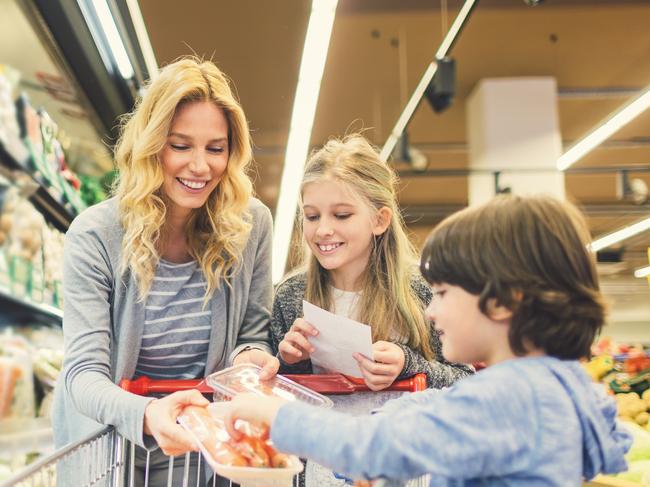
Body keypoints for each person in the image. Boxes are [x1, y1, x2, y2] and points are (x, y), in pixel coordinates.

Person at [224, 194, 633, 486]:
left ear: (506, 302)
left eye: (443, 293)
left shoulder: (506, 397)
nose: (432, 311)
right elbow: (445, 404)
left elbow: (370, 449)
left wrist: (273, 414)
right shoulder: (561, 385)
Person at [52, 57, 278, 486]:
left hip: (201, 459)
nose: (200, 166)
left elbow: (251, 335)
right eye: (180, 145)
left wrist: (250, 361)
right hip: (111, 449)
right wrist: (149, 414)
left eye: (216, 148)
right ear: (152, 144)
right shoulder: (96, 235)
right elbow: (83, 375)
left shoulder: (249, 225)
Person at [271, 135, 472, 485]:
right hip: (322, 473)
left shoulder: (421, 292)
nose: (323, 230)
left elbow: (467, 384)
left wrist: (409, 367)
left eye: (342, 214)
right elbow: (278, 402)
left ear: (379, 220)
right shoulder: (291, 296)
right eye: (312, 216)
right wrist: (289, 363)